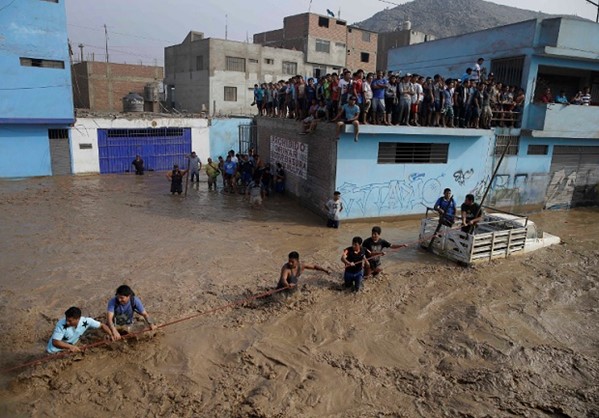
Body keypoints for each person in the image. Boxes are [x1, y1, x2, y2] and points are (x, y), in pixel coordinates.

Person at [47, 306, 113, 353]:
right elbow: (55, 342)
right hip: (53, 350)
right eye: (66, 319)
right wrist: (70, 347)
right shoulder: (61, 324)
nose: (67, 322)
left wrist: (111, 335)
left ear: (78, 319)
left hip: (70, 346)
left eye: (70, 321)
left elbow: (102, 325)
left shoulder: (86, 321)